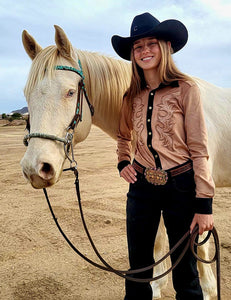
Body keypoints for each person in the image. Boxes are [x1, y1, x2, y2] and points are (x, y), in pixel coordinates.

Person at [111, 12, 215, 300]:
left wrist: (204, 203)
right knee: (138, 269)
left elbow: (199, 148)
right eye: (138, 46)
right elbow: (123, 136)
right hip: (142, 187)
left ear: (165, 47)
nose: (145, 51)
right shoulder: (130, 95)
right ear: (133, 54)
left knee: (186, 272)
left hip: (181, 187)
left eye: (151, 43)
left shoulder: (186, 89)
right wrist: (123, 162)